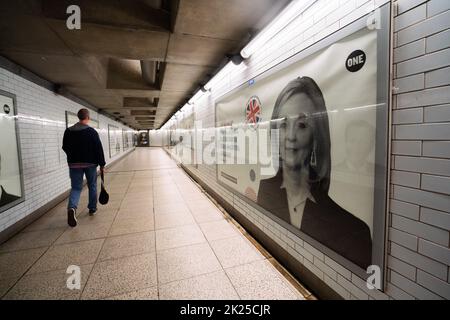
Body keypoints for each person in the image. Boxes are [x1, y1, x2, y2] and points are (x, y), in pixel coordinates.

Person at [256, 77, 372, 269]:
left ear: (317, 136)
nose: (291, 136)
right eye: (284, 125)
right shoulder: (265, 190)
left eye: (302, 125)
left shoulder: (353, 231)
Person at [62, 108, 105, 227]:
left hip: (74, 164)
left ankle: (72, 208)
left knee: (76, 188)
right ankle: (92, 208)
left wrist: (73, 157)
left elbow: (64, 147)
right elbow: (98, 149)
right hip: (90, 164)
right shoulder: (91, 132)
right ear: (88, 118)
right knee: (92, 185)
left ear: (78, 117)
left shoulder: (68, 131)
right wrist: (102, 164)